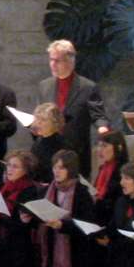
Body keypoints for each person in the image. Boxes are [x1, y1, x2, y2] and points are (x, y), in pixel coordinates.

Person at [39, 40, 108, 174]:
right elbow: (40, 114)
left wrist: (103, 128)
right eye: (51, 60)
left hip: (75, 152)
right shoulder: (44, 86)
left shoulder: (87, 87)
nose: (53, 64)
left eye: (57, 61)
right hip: (48, 150)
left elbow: (98, 115)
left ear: (70, 61)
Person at [88, 130, 129, 267]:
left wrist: (108, 234)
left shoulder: (121, 173)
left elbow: (119, 209)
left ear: (118, 148)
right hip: (97, 236)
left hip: (111, 240)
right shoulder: (103, 170)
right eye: (98, 146)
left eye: (105, 146)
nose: (100, 150)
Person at [28, 103, 68, 184]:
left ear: (55, 122)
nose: (38, 123)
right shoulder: (38, 141)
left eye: (43, 120)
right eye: (37, 119)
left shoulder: (62, 145)